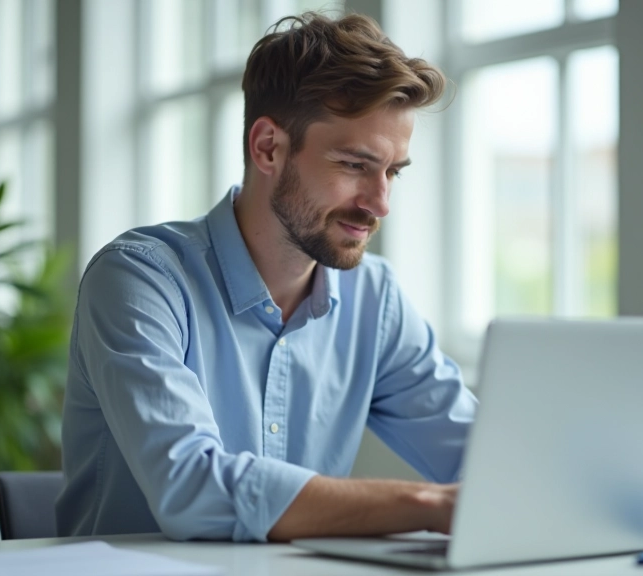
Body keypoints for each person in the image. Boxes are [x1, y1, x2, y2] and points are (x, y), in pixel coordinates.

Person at [55, 12, 478, 542]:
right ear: (268, 148)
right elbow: (191, 489)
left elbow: (484, 457)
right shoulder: (140, 280)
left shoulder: (376, 299)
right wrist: (425, 504)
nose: (380, 204)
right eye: (354, 165)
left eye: (392, 172)